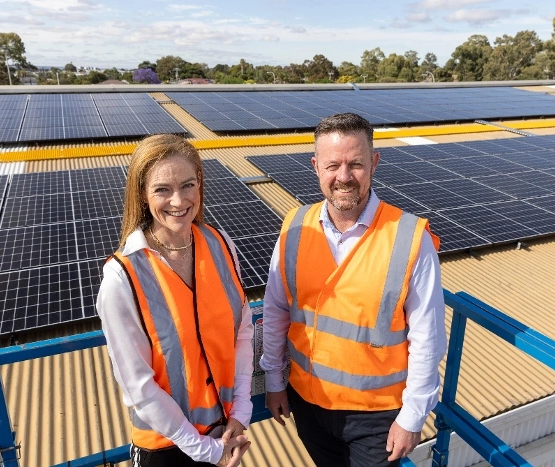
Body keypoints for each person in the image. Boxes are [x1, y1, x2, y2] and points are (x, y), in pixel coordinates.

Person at [260, 113, 446, 467]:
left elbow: (428, 338)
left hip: (376, 418)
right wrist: (273, 379)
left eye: (356, 164)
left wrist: (413, 416)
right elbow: (276, 309)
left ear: (374, 163)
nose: (343, 177)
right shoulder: (294, 227)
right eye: (332, 165)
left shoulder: (410, 238)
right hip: (307, 404)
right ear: (316, 166)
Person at [97, 134, 253, 467]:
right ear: (142, 194)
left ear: (200, 184)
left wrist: (241, 410)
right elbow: (139, 386)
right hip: (167, 450)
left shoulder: (221, 244)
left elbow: (241, 333)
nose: (178, 200)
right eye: (162, 189)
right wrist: (206, 451)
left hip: (225, 433)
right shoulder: (122, 278)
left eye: (187, 185)